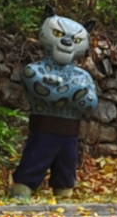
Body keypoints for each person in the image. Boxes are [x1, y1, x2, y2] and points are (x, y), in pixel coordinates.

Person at [13, 14, 102, 196]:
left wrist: (65, 90)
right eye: (59, 33)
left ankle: (64, 197)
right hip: (43, 128)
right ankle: (21, 193)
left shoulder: (83, 75)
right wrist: (75, 92)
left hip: (70, 133)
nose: (67, 42)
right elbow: (49, 94)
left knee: (66, 170)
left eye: (75, 39)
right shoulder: (34, 69)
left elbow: (91, 104)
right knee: (33, 162)